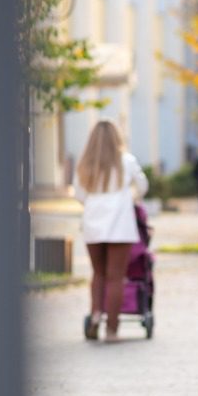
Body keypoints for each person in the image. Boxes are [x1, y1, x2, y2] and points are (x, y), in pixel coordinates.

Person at [76, 120, 148, 343]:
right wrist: (132, 198)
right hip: (120, 224)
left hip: (93, 224)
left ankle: (96, 314)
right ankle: (112, 329)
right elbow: (143, 186)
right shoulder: (126, 161)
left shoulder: (85, 163)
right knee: (116, 277)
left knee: (98, 273)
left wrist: (93, 204)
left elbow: (79, 194)